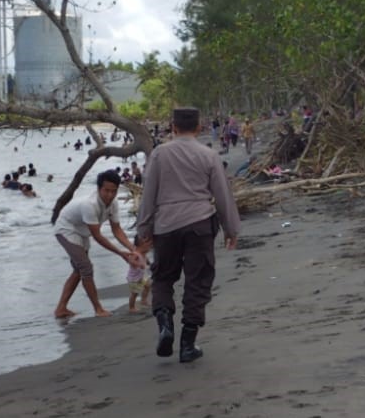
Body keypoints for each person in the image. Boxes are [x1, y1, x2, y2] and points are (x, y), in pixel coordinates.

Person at [136, 107, 241, 363]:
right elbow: (222, 194)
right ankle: (187, 344)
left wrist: (143, 230)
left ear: (173, 127)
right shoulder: (208, 155)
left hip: (166, 226)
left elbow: (148, 194)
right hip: (199, 224)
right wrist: (231, 228)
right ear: (198, 127)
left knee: (162, 278)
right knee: (198, 281)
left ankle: (165, 325)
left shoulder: (159, 154)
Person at [52, 170, 138, 319]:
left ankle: (61, 309)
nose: (110, 195)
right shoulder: (89, 205)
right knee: (86, 268)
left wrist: (132, 249)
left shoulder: (113, 203)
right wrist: (121, 253)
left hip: (82, 232)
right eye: (106, 190)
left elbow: (117, 230)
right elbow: (97, 236)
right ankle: (98, 309)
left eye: (114, 191)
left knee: (79, 270)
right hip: (66, 229)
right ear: (98, 189)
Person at [127, 239, 152, 314]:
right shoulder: (135, 254)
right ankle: (131, 307)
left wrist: (149, 264)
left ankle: (143, 300)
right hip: (135, 278)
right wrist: (138, 264)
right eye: (148, 246)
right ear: (141, 245)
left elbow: (146, 261)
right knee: (134, 293)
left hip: (142, 276)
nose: (150, 248)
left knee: (147, 286)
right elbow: (130, 261)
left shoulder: (143, 254)